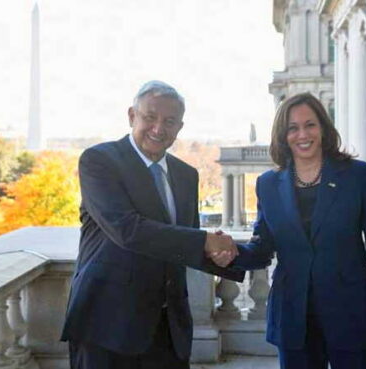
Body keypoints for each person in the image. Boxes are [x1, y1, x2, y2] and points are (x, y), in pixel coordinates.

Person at [60, 80, 271, 369]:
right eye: (150, 117)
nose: (159, 128)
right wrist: (205, 242)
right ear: (132, 116)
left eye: (169, 121)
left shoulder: (186, 175)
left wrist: (234, 254)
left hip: (168, 329)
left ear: (179, 127)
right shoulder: (99, 160)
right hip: (107, 325)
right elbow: (127, 230)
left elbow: (183, 243)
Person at [212, 92, 366, 369]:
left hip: (352, 316)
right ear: (283, 135)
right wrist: (229, 254)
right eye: (293, 127)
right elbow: (262, 249)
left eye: (310, 124)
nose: (303, 134)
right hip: (293, 319)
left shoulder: (358, 176)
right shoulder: (268, 184)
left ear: (323, 127)